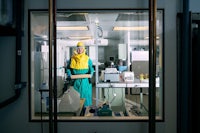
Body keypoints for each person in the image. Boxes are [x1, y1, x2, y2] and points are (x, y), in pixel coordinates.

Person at [66, 42, 94, 106]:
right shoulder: (72, 58)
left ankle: (85, 112)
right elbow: (68, 68)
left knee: (85, 97)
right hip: (75, 81)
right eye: (78, 48)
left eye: (81, 48)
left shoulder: (87, 59)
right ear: (76, 49)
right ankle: (76, 113)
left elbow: (91, 68)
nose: (79, 50)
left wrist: (91, 72)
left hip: (85, 81)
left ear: (84, 49)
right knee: (76, 98)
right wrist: (69, 74)